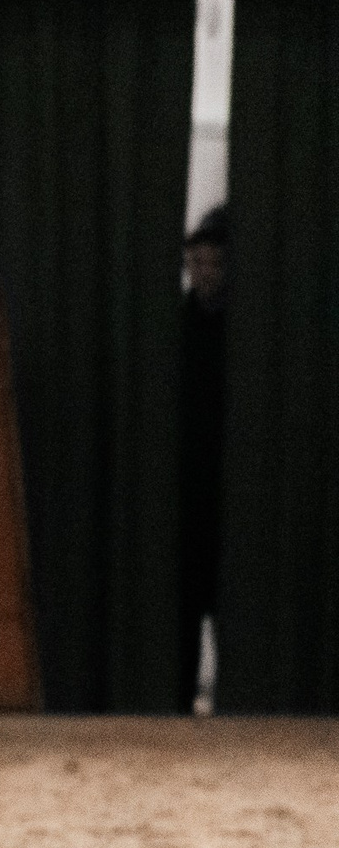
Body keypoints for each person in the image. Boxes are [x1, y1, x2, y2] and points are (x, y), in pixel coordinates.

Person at [179, 204, 228, 713]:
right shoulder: (176, 327)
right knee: (184, 603)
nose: (205, 273)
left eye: (215, 263)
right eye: (197, 263)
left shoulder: (249, 336)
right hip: (189, 486)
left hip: (228, 486)